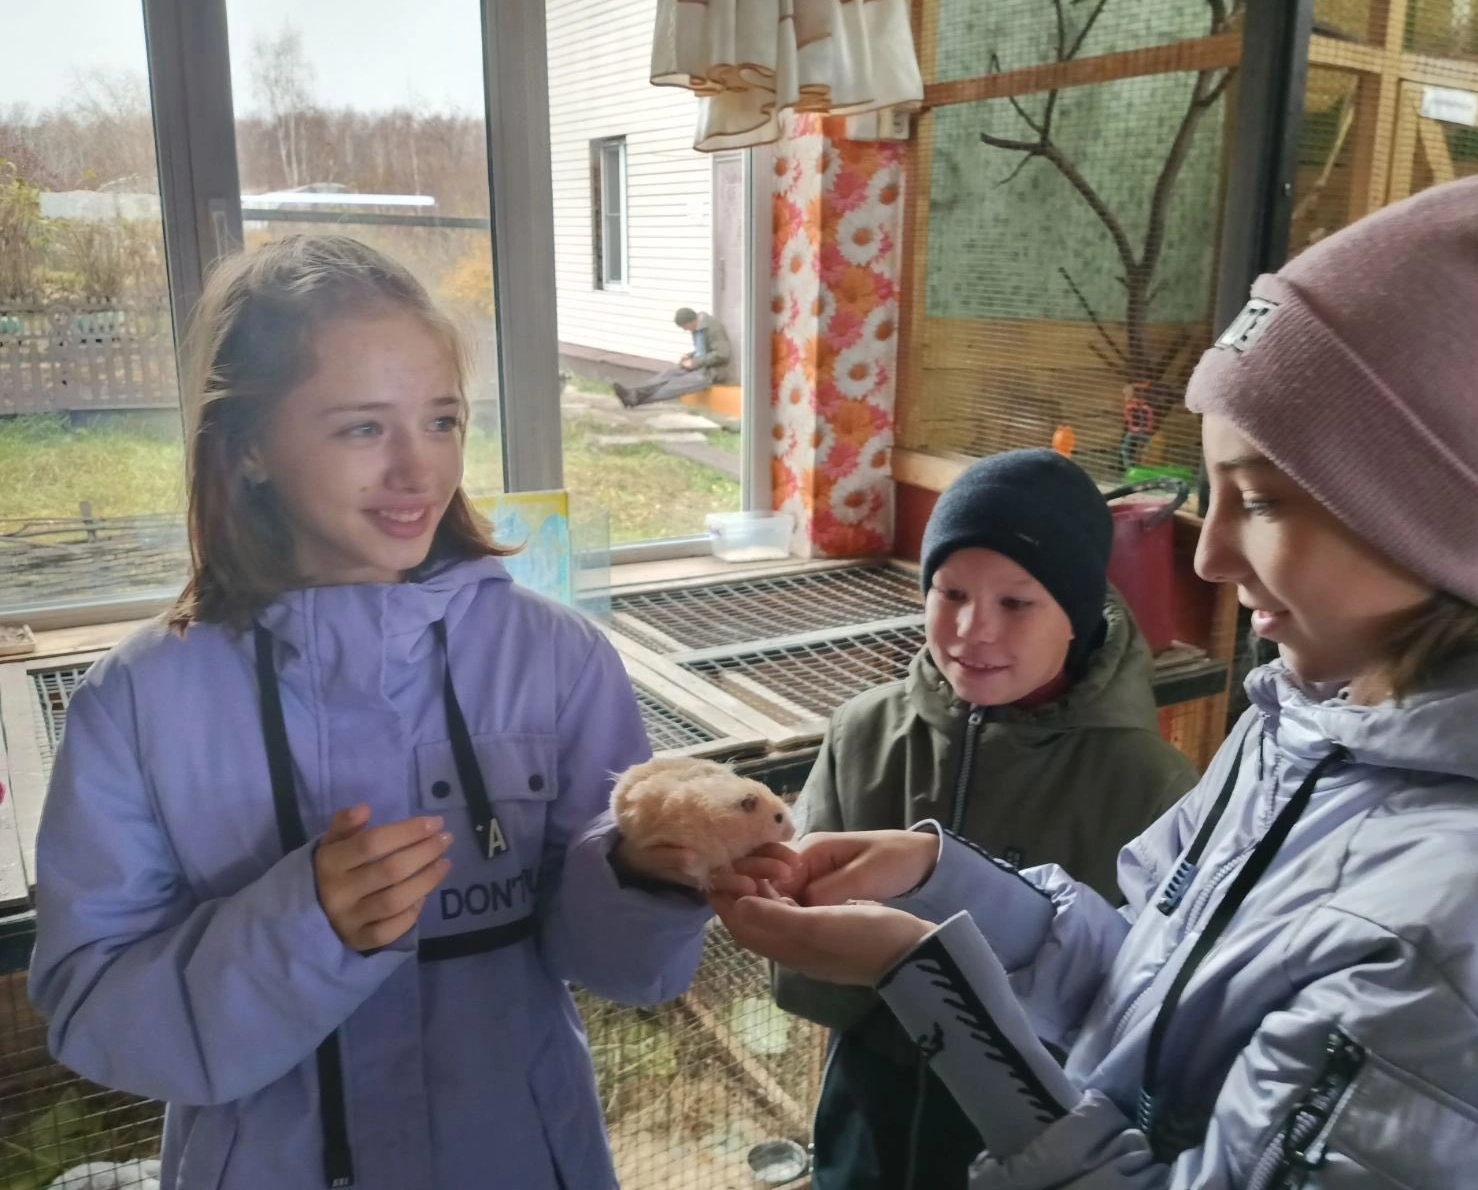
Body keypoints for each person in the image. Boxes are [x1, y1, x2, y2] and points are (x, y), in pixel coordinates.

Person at [713, 171, 1478, 1187]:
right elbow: (1144, 989)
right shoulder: (1299, 731)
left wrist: (927, 987)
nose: (1210, 557)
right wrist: (945, 889)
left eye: (1258, 501)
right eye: (1212, 492)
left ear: (1439, 521)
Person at [29, 235, 711, 1190]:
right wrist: (299, 933)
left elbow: (628, 972)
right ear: (250, 448)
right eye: (361, 429)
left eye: (440, 420)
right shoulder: (139, 702)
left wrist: (647, 876)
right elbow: (93, 1006)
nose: (417, 471)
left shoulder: (557, 660)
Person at [774, 449, 1195, 1190]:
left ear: (1079, 612)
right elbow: (802, 976)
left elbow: (1137, 1026)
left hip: (1032, 1137)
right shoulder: (864, 732)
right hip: (866, 1112)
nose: (973, 629)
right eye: (949, 591)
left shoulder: (1147, 782)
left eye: (1016, 601)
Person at [612, 306, 732, 407]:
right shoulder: (697, 327)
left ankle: (634, 399)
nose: (686, 330)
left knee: (674, 386)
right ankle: (634, 393)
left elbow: (722, 354)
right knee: (668, 374)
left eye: (685, 327)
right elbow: (703, 351)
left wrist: (695, 363)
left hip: (712, 371)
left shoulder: (713, 328)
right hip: (700, 365)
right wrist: (690, 356)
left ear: (691, 321)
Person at [1120, 381, 1155, 473]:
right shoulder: (1135, 406)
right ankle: (1131, 468)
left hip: (1139, 431)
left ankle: (1132, 468)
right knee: (1127, 448)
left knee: (1129, 449)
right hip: (1139, 431)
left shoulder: (1137, 406)